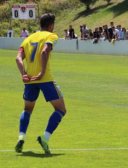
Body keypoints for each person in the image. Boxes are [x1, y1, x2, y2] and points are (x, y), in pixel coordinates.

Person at [15, 13, 67, 154]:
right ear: (51, 25)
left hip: (30, 81)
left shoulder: (29, 38)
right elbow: (45, 52)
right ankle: (45, 138)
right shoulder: (51, 36)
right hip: (45, 79)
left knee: (27, 110)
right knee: (61, 109)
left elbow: (18, 58)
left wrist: (23, 74)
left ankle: (21, 137)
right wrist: (42, 72)